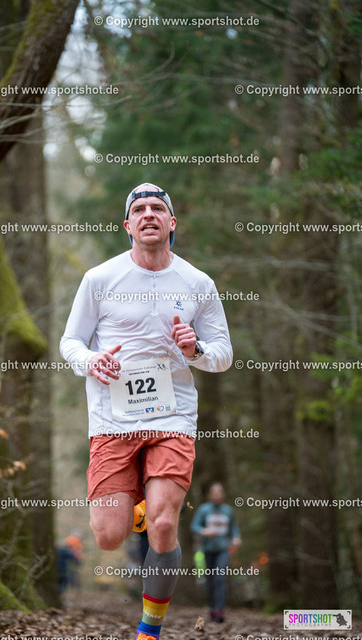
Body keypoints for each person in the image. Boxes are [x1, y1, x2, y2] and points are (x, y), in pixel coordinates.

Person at [60, 183, 233, 640]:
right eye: (139, 209)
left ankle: (149, 629)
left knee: (163, 523)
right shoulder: (100, 279)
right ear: (128, 225)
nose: (149, 214)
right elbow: (70, 342)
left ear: (172, 223)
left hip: (173, 418)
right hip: (112, 420)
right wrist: (91, 361)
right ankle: (135, 503)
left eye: (158, 208)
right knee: (108, 536)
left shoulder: (198, 283)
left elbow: (223, 354)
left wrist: (195, 349)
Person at [191, 482, 242, 623]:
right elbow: (194, 525)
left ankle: (220, 610)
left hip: (223, 549)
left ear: (223, 494)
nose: (217, 495)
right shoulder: (204, 509)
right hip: (208, 550)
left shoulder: (228, 510)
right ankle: (212, 609)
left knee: (220, 577)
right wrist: (204, 531)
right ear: (210, 495)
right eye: (214, 492)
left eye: (219, 492)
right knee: (210, 581)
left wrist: (236, 537)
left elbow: (233, 528)